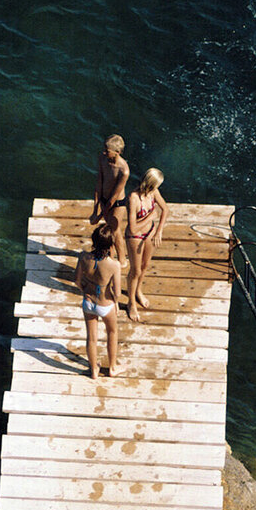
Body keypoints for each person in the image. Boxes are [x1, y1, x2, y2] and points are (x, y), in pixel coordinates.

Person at [74, 222, 122, 379]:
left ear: (93, 240)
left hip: (88, 302)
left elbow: (77, 281)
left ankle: (94, 369)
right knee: (112, 332)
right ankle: (113, 368)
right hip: (105, 304)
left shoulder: (83, 257)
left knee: (92, 338)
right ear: (110, 245)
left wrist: (85, 291)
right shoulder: (114, 265)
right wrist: (115, 303)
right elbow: (117, 292)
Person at [124, 168, 168, 322]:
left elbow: (166, 209)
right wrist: (151, 216)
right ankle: (130, 303)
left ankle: (138, 291)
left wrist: (159, 231)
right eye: (157, 185)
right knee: (135, 270)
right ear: (151, 184)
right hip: (135, 236)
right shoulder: (133, 198)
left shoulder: (154, 193)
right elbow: (133, 228)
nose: (158, 188)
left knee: (145, 266)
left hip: (150, 233)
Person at [89, 135, 129, 268]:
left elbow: (114, 196)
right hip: (104, 200)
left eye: (108, 150)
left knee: (115, 231)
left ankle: (122, 261)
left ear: (117, 152)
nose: (104, 152)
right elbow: (99, 183)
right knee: (109, 230)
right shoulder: (102, 159)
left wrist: (99, 216)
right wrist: (95, 210)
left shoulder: (124, 170)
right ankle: (110, 259)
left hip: (116, 203)